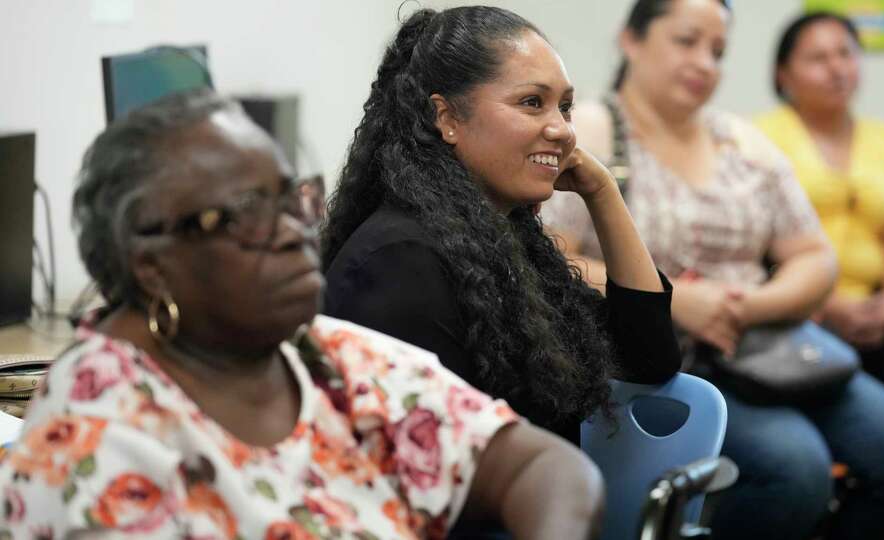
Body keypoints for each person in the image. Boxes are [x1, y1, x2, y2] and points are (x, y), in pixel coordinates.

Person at [0, 90, 605, 539]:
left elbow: (542, 466)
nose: (294, 232)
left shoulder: (320, 355)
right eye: (246, 213)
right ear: (152, 264)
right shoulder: (92, 440)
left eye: (292, 199)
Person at [540, 1, 884, 539]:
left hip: (770, 345)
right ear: (631, 40)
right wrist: (679, 300)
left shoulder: (742, 141)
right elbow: (547, 255)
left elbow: (815, 257)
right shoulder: (588, 130)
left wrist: (747, 306)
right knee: (794, 472)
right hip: (669, 361)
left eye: (718, 51)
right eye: (687, 41)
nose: (705, 62)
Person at [322, 6, 681, 448]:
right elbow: (432, 462)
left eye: (565, 107)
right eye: (532, 102)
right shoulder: (399, 262)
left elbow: (650, 359)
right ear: (448, 118)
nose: (562, 130)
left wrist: (602, 191)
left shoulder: (505, 240)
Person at [756, 11, 884, 433]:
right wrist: (824, 305)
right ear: (783, 74)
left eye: (845, 53)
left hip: (876, 312)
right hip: (791, 311)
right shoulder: (757, 138)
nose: (837, 67)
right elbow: (756, 247)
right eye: (818, 58)